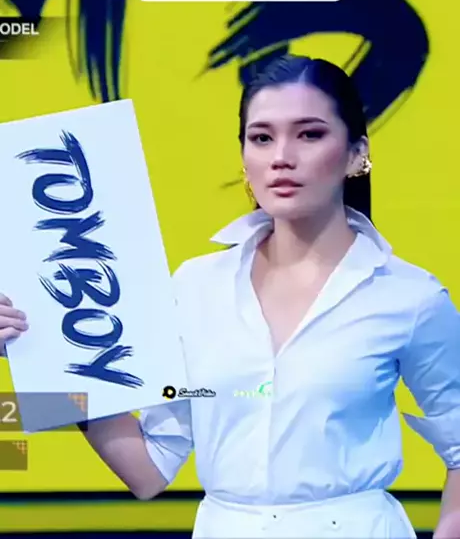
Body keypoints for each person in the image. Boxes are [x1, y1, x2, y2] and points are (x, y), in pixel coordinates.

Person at [1, 55, 460, 538]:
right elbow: (147, 471)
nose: (281, 156)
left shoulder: (409, 297)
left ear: (355, 154)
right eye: (261, 138)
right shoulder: (194, 286)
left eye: (309, 134)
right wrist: (47, 357)